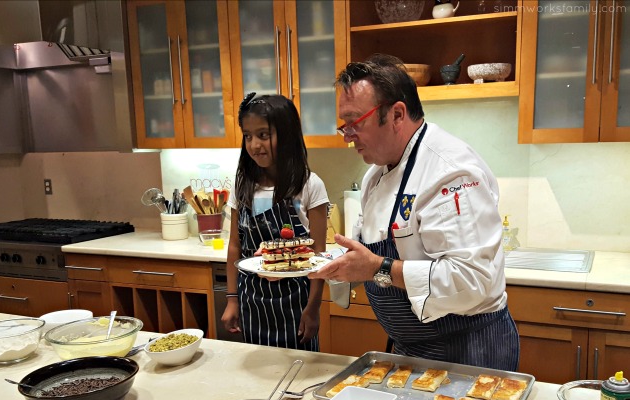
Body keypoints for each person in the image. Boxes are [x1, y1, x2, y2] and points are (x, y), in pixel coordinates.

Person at [309, 54, 520, 370]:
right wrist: (306, 263)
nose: (347, 135)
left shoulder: (450, 172)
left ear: (396, 114)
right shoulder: (375, 175)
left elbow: (472, 281)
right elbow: (367, 256)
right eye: (344, 125)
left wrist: (378, 268)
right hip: (412, 349)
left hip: (467, 349)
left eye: (355, 122)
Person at [222, 93, 329, 351]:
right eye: (247, 136)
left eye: (263, 135)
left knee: (300, 373)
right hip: (252, 301)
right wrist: (232, 299)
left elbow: (319, 255)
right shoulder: (243, 185)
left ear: (287, 135)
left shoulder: (309, 185)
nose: (254, 144)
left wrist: (313, 308)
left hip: (296, 303)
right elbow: (235, 246)